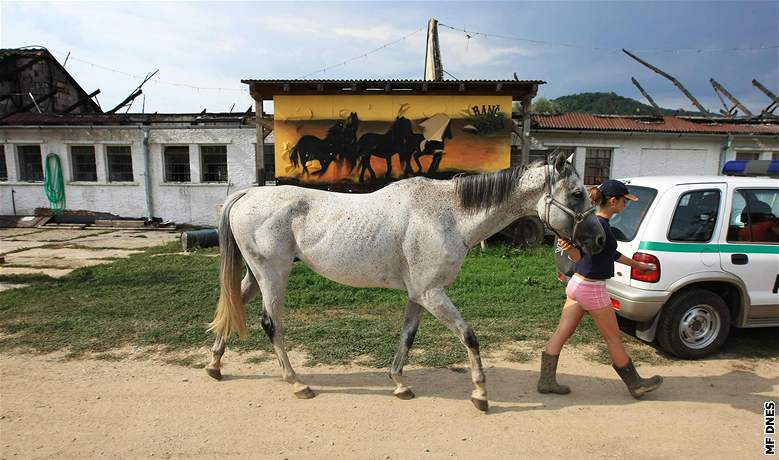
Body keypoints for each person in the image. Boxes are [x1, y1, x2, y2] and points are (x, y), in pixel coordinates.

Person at [538, 179, 663, 399]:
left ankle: (546, 380)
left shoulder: (593, 224)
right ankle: (636, 384)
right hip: (592, 289)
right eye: (625, 201)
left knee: (562, 332)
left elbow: (609, 254)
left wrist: (638, 265)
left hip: (577, 284)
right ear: (613, 201)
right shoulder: (600, 227)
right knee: (613, 338)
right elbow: (580, 255)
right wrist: (570, 251)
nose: (626, 205)